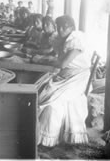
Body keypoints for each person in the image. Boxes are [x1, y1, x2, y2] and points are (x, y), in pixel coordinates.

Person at [38, 15, 91, 147]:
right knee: (43, 90)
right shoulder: (63, 39)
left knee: (51, 98)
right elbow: (59, 59)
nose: (60, 29)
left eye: (64, 27)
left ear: (72, 27)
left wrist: (42, 60)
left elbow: (63, 63)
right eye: (58, 27)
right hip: (66, 75)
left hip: (77, 77)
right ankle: (44, 135)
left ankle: (49, 137)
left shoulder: (76, 39)